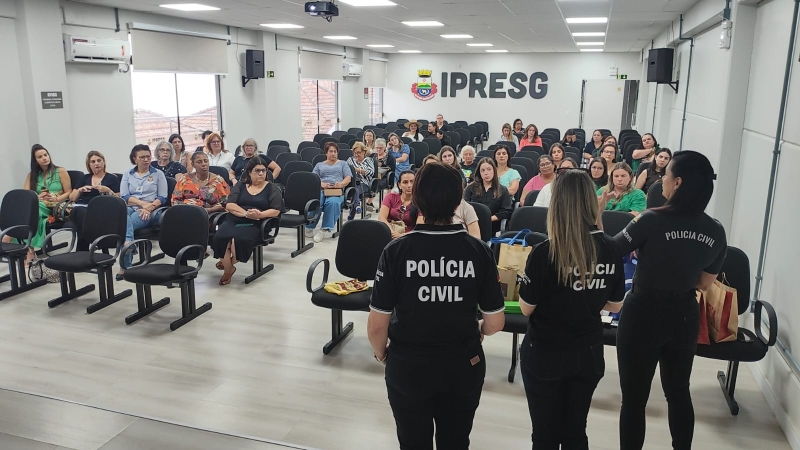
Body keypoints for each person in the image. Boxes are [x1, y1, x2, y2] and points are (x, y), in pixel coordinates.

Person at [367, 162, 505, 450]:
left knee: (412, 442)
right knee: (455, 442)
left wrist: (382, 355)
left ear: (416, 200)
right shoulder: (479, 251)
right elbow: (495, 323)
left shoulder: (395, 251)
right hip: (463, 364)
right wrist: (479, 329)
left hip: (408, 365)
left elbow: (377, 326)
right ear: (458, 202)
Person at [613, 150, 726, 450]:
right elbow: (704, 283)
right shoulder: (716, 230)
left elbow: (611, 250)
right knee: (678, 392)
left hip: (642, 315)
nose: (661, 179)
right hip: (683, 317)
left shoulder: (650, 219)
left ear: (678, 183)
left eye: (666, 174)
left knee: (634, 399)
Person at [518, 168, 625, 449]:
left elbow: (526, 309)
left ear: (557, 204)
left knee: (545, 435)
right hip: (588, 354)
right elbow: (614, 304)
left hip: (545, 354)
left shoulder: (544, 252)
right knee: (576, 432)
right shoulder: (611, 247)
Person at [211, 156, 282, 286]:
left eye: (264, 170)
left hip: (257, 222)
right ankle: (229, 268)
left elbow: (276, 210)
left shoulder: (272, 188)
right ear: (249, 172)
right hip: (235, 219)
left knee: (237, 241)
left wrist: (259, 214)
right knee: (220, 237)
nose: (261, 173)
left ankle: (228, 266)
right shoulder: (241, 185)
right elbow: (230, 205)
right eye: (257, 170)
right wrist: (246, 214)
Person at [119, 144, 168, 279]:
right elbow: (125, 196)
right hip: (132, 207)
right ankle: (129, 245)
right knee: (122, 216)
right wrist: (142, 204)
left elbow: (162, 197)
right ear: (135, 159)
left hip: (152, 210)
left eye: (148, 157)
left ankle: (125, 266)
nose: (146, 160)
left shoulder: (158, 174)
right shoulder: (128, 174)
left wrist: (148, 207)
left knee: (124, 226)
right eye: (142, 157)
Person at [19, 145, 72, 261]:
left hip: (56, 206)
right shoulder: (32, 175)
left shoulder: (60, 171)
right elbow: (25, 195)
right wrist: (37, 197)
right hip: (40, 204)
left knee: (32, 210)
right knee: (28, 208)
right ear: (35, 161)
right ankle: (27, 248)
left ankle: (28, 248)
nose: (44, 158)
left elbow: (69, 192)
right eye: (40, 157)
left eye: (45, 155)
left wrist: (56, 199)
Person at [66, 151, 120, 249]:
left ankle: (83, 248)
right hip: (82, 207)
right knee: (80, 211)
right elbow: (72, 198)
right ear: (89, 165)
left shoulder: (112, 178)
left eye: (99, 160)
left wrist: (108, 191)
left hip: (101, 210)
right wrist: (80, 190)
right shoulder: (85, 178)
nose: (96, 164)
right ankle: (92, 242)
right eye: (93, 162)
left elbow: (119, 199)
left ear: (104, 162)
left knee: (83, 216)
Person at [306, 142, 351, 243]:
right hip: (322, 189)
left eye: (335, 151)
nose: (333, 154)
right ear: (326, 153)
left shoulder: (343, 164)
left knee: (332, 203)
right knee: (316, 202)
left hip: (336, 190)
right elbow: (313, 178)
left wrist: (341, 184)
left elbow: (348, 178)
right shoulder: (319, 165)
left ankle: (324, 229)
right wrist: (322, 184)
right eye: (331, 151)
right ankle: (309, 226)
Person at [463, 158, 513, 234]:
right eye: (482, 170)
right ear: (479, 173)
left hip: (492, 226)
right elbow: (464, 208)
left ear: (494, 170)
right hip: (472, 225)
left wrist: (488, 219)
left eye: (489, 169)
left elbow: (506, 212)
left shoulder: (503, 190)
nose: (486, 173)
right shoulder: (470, 188)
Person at [172, 152, 229, 216]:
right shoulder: (184, 179)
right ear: (192, 164)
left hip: (210, 215)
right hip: (185, 214)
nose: (204, 164)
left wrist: (209, 210)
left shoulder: (218, 180)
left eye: (206, 161)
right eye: (199, 162)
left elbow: (226, 203)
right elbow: (175, 200)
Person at [379, 170, 416, 238]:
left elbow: (420, 226)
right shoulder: (390, 197)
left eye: (412, 182)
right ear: (399, 185)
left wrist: (401, 236)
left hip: (409, 238)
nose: (409, 185)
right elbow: (382, 218)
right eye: (405, 182)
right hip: (390, 234)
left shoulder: (420, 202)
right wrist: (392, 233)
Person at [347, 142, 375, 220]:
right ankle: (357, 206)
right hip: (351, 182)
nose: (356, 155)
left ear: (364, 152)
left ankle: (351, 217)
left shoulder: (369, 160)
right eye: (355, 153)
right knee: (354, 189)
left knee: (354, 190)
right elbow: (345, 170)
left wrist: (358, 170)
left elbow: (371, 172)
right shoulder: (350, 160)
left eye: (358, 152)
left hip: (364, 183)